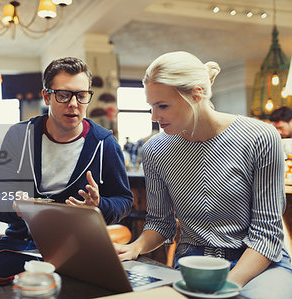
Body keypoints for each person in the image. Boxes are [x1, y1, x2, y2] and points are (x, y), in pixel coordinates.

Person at [114, 51, 292, 298]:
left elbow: (266, 235)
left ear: (196, 94)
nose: (154, 117)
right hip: (193, 262)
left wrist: (228, 285)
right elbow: (160, 224)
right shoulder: (154, 150)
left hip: (257, 264)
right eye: (151, 106)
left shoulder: (260, 137)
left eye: (162, 106)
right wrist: (135, 248)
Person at [0, 57, 133, 251]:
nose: (73, 104)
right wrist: (16, 206)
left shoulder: (104, 143)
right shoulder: (19, 136)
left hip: (80, 245)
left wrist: (98, 205)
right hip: (21, 241)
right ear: (46, 97)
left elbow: (123, 200)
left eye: (81, 96)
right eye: (63, 95)